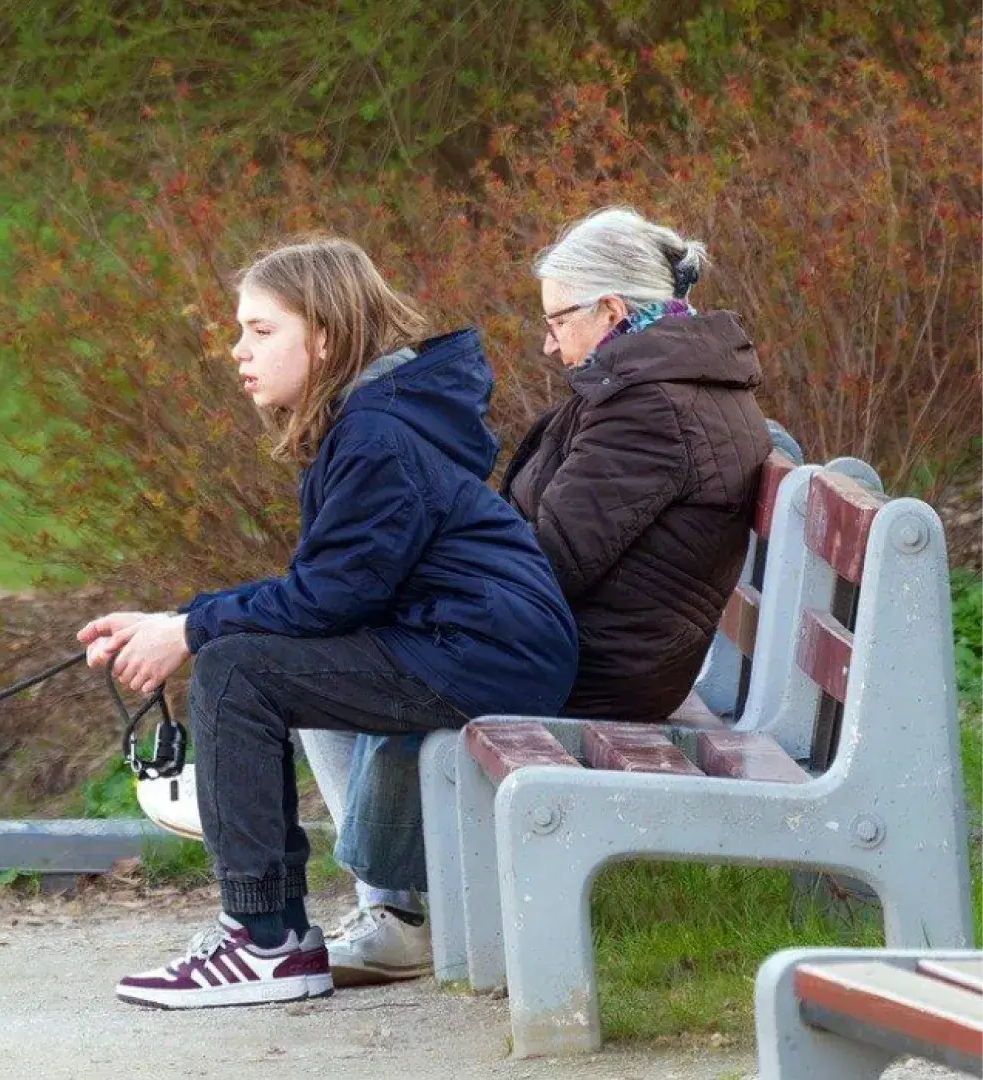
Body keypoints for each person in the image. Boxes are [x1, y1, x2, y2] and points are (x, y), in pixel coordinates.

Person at [81, 238, 577, 1010]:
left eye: (260, 330)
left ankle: (265, 941)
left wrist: (189, 633)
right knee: (249, 655)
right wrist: (180, 618)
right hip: (476, 646)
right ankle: (290, 933)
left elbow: (326, 600)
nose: (237, 351)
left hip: (480, 655)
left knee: (236, 670)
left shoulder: (376, 436)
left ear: (326, 337)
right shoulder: (373, 422)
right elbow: (330, 589)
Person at [305, 206, 774, 987]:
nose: (548, 343)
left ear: (613, 312)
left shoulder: (649, 409)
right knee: (333, 646)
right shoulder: (649, 388)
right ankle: (396, 905)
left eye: (559, 320)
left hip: (598, 666)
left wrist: (415, 594)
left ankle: (397, 909)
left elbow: (549, 563)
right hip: (599, 641)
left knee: (332, 664)